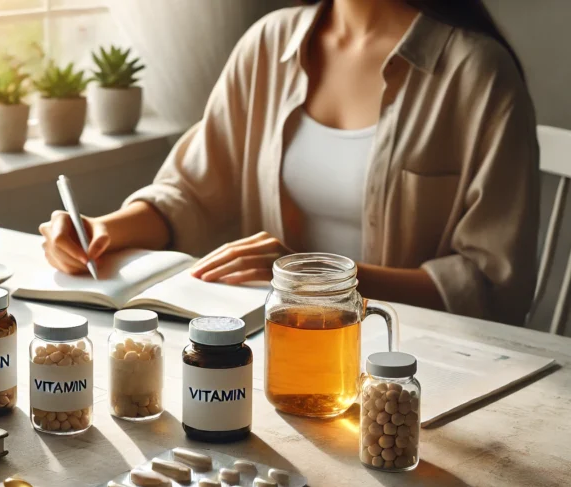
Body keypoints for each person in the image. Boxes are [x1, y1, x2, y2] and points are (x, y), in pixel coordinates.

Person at [40, 0, 539, 325]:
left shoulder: (478, 73)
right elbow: (190, 192)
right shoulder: (268, 43)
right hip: (274, 345)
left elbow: (490, 282)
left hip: (409, 362)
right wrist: (99, 230)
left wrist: (310, 277)